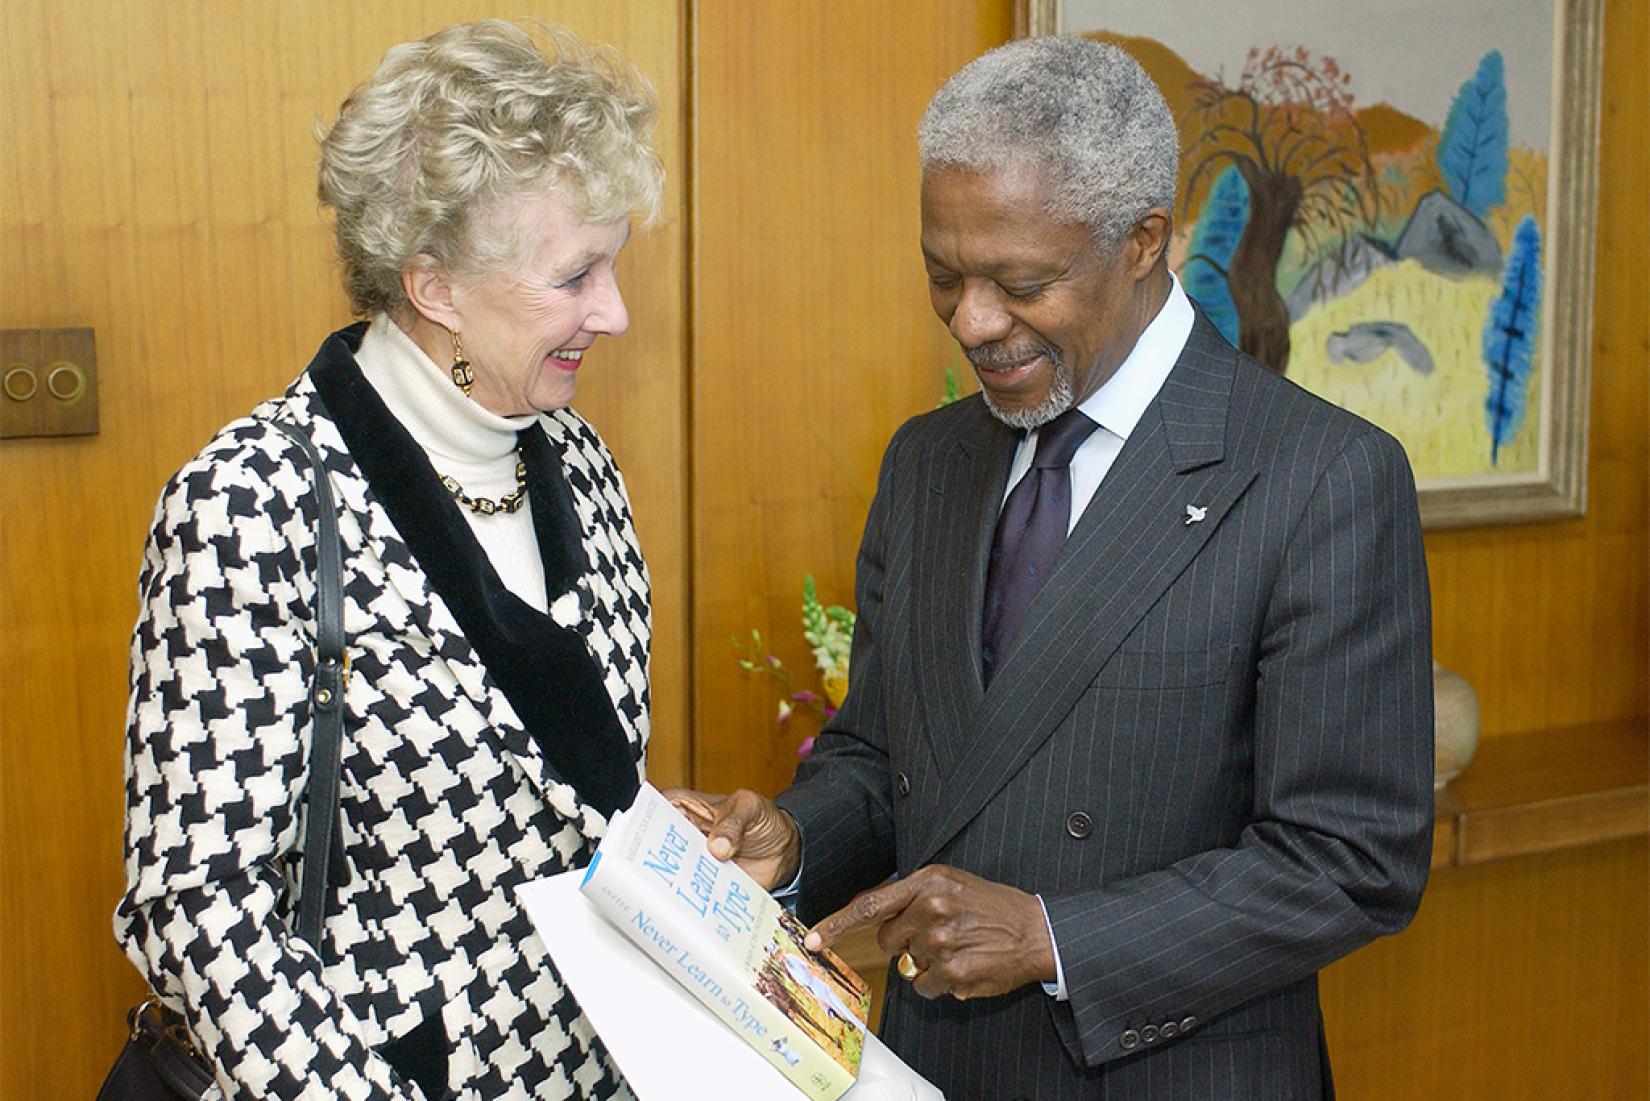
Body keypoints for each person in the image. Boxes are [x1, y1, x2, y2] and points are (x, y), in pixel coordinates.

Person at [679, 35, 1434, 1099]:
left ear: (1142, 243)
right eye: (944, 276)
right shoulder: (928, 462)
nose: (974, 322)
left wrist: (1053, 936)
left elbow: (1353, 860)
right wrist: (796, 840)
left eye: (1020, 283)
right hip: (931, 1064)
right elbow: (885, 757)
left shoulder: (1323, 476)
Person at [115, 21, 661, 1100]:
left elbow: (569, 795)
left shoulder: (580, 460)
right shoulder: (252, 501)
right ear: (434, 287)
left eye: (615, 264)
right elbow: (195, 899)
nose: (615, 311)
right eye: (576, 275)